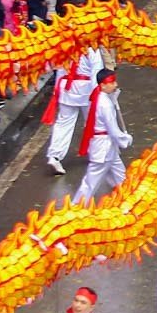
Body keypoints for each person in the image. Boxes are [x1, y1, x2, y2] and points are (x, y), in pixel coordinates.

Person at [44, 46, 105, 175]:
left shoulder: (63, 45)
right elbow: (96, 71)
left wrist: (57, 90)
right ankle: (97, 154)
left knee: (64, 123)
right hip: (86, 88)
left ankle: (55, 155)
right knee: (94, 121)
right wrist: (97, 92)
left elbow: (55, 67)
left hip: (66, 88)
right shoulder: (91, 47)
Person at [73, 69, 130, 204]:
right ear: (103, 85)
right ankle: (76, 207)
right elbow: (112, 129)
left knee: (121, 177)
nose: (115, 85)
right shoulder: (104, 104)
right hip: (103, 148)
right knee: (90, 183)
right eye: (111, 82)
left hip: (108, 147)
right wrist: (125, 139)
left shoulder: (100, 98)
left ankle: (128, 202)